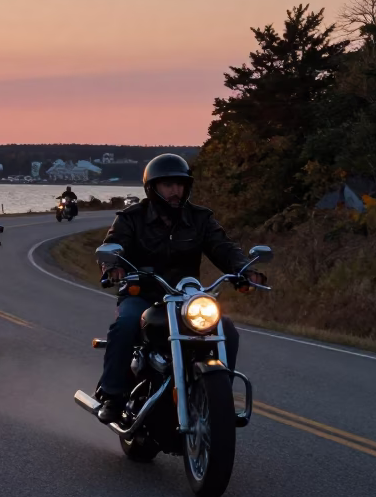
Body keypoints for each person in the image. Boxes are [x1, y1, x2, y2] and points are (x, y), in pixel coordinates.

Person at [95, 153, 267, 424]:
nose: (175, 191)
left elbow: (222, 246)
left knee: (227, 329)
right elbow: (115, 243)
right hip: (144, 294)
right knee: (126, 324)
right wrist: (113, 268)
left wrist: (245, 269)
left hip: (187, 297)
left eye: (180, 185)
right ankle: (113, 396)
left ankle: (219, 399)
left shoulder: (200, 218)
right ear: (153, 188)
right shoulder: (131, 218)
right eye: (167, 185)